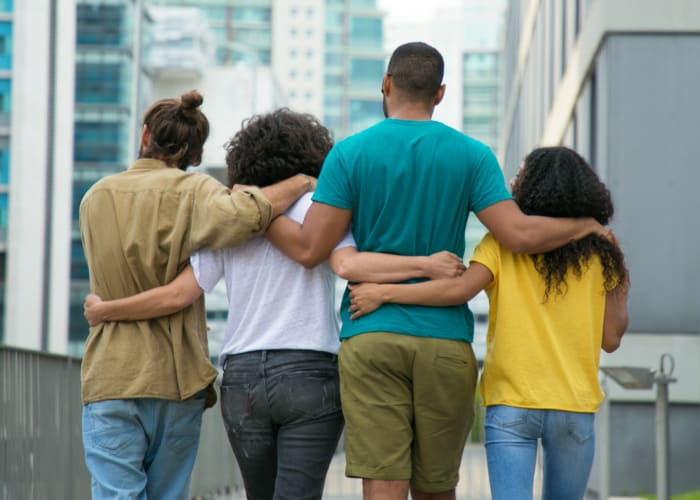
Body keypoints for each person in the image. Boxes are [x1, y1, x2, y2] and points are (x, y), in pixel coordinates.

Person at [263, 43, 609, 500]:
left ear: (386, 83)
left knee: (384, 484)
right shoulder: (472, 155)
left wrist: (257, 214)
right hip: (445, 343)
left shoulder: (349, 154)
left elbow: (310, 249)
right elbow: (520, 235)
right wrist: (586, 224)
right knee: (435, 488)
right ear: (440, 93)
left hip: (372, 334)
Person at [83, 108, 465, 500]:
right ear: (314, 155)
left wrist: (106, 310)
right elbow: (349, 263)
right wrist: (425, 267)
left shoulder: (231, 217)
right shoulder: (322, 207)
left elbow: (182, 293)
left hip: (242, 376)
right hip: (311, 370)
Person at [347, 146, 630, 500]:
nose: (512, 182)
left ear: (532, 189)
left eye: (520, 176)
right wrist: (619, 278)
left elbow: (458, 290)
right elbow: (611, 338)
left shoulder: (501, 244)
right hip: (574, 405)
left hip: (511, 402)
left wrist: (386, 294)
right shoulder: (601, 252)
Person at [79, 92, 317, 499]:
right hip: (175, 378)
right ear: (193, 152)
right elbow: (247, 213)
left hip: (111, 374)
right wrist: (301, 181)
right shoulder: (196, 192)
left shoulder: (94, 198)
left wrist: (104, 310)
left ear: (145, 135)